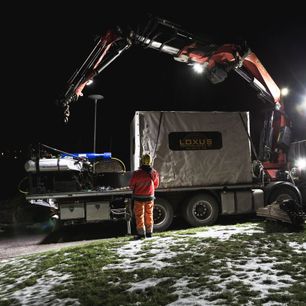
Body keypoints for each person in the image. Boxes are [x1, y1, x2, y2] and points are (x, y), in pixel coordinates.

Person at [129, 153, 159, 240]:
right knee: (149, 214)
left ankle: (141, 234)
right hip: (150, 197)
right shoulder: (154, 173)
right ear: (150, 162)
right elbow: (156, 185)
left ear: (141, 161)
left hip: (138, 198)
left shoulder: (137, 173)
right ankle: (149, 233)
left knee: (139, 216)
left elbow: (131, 186)